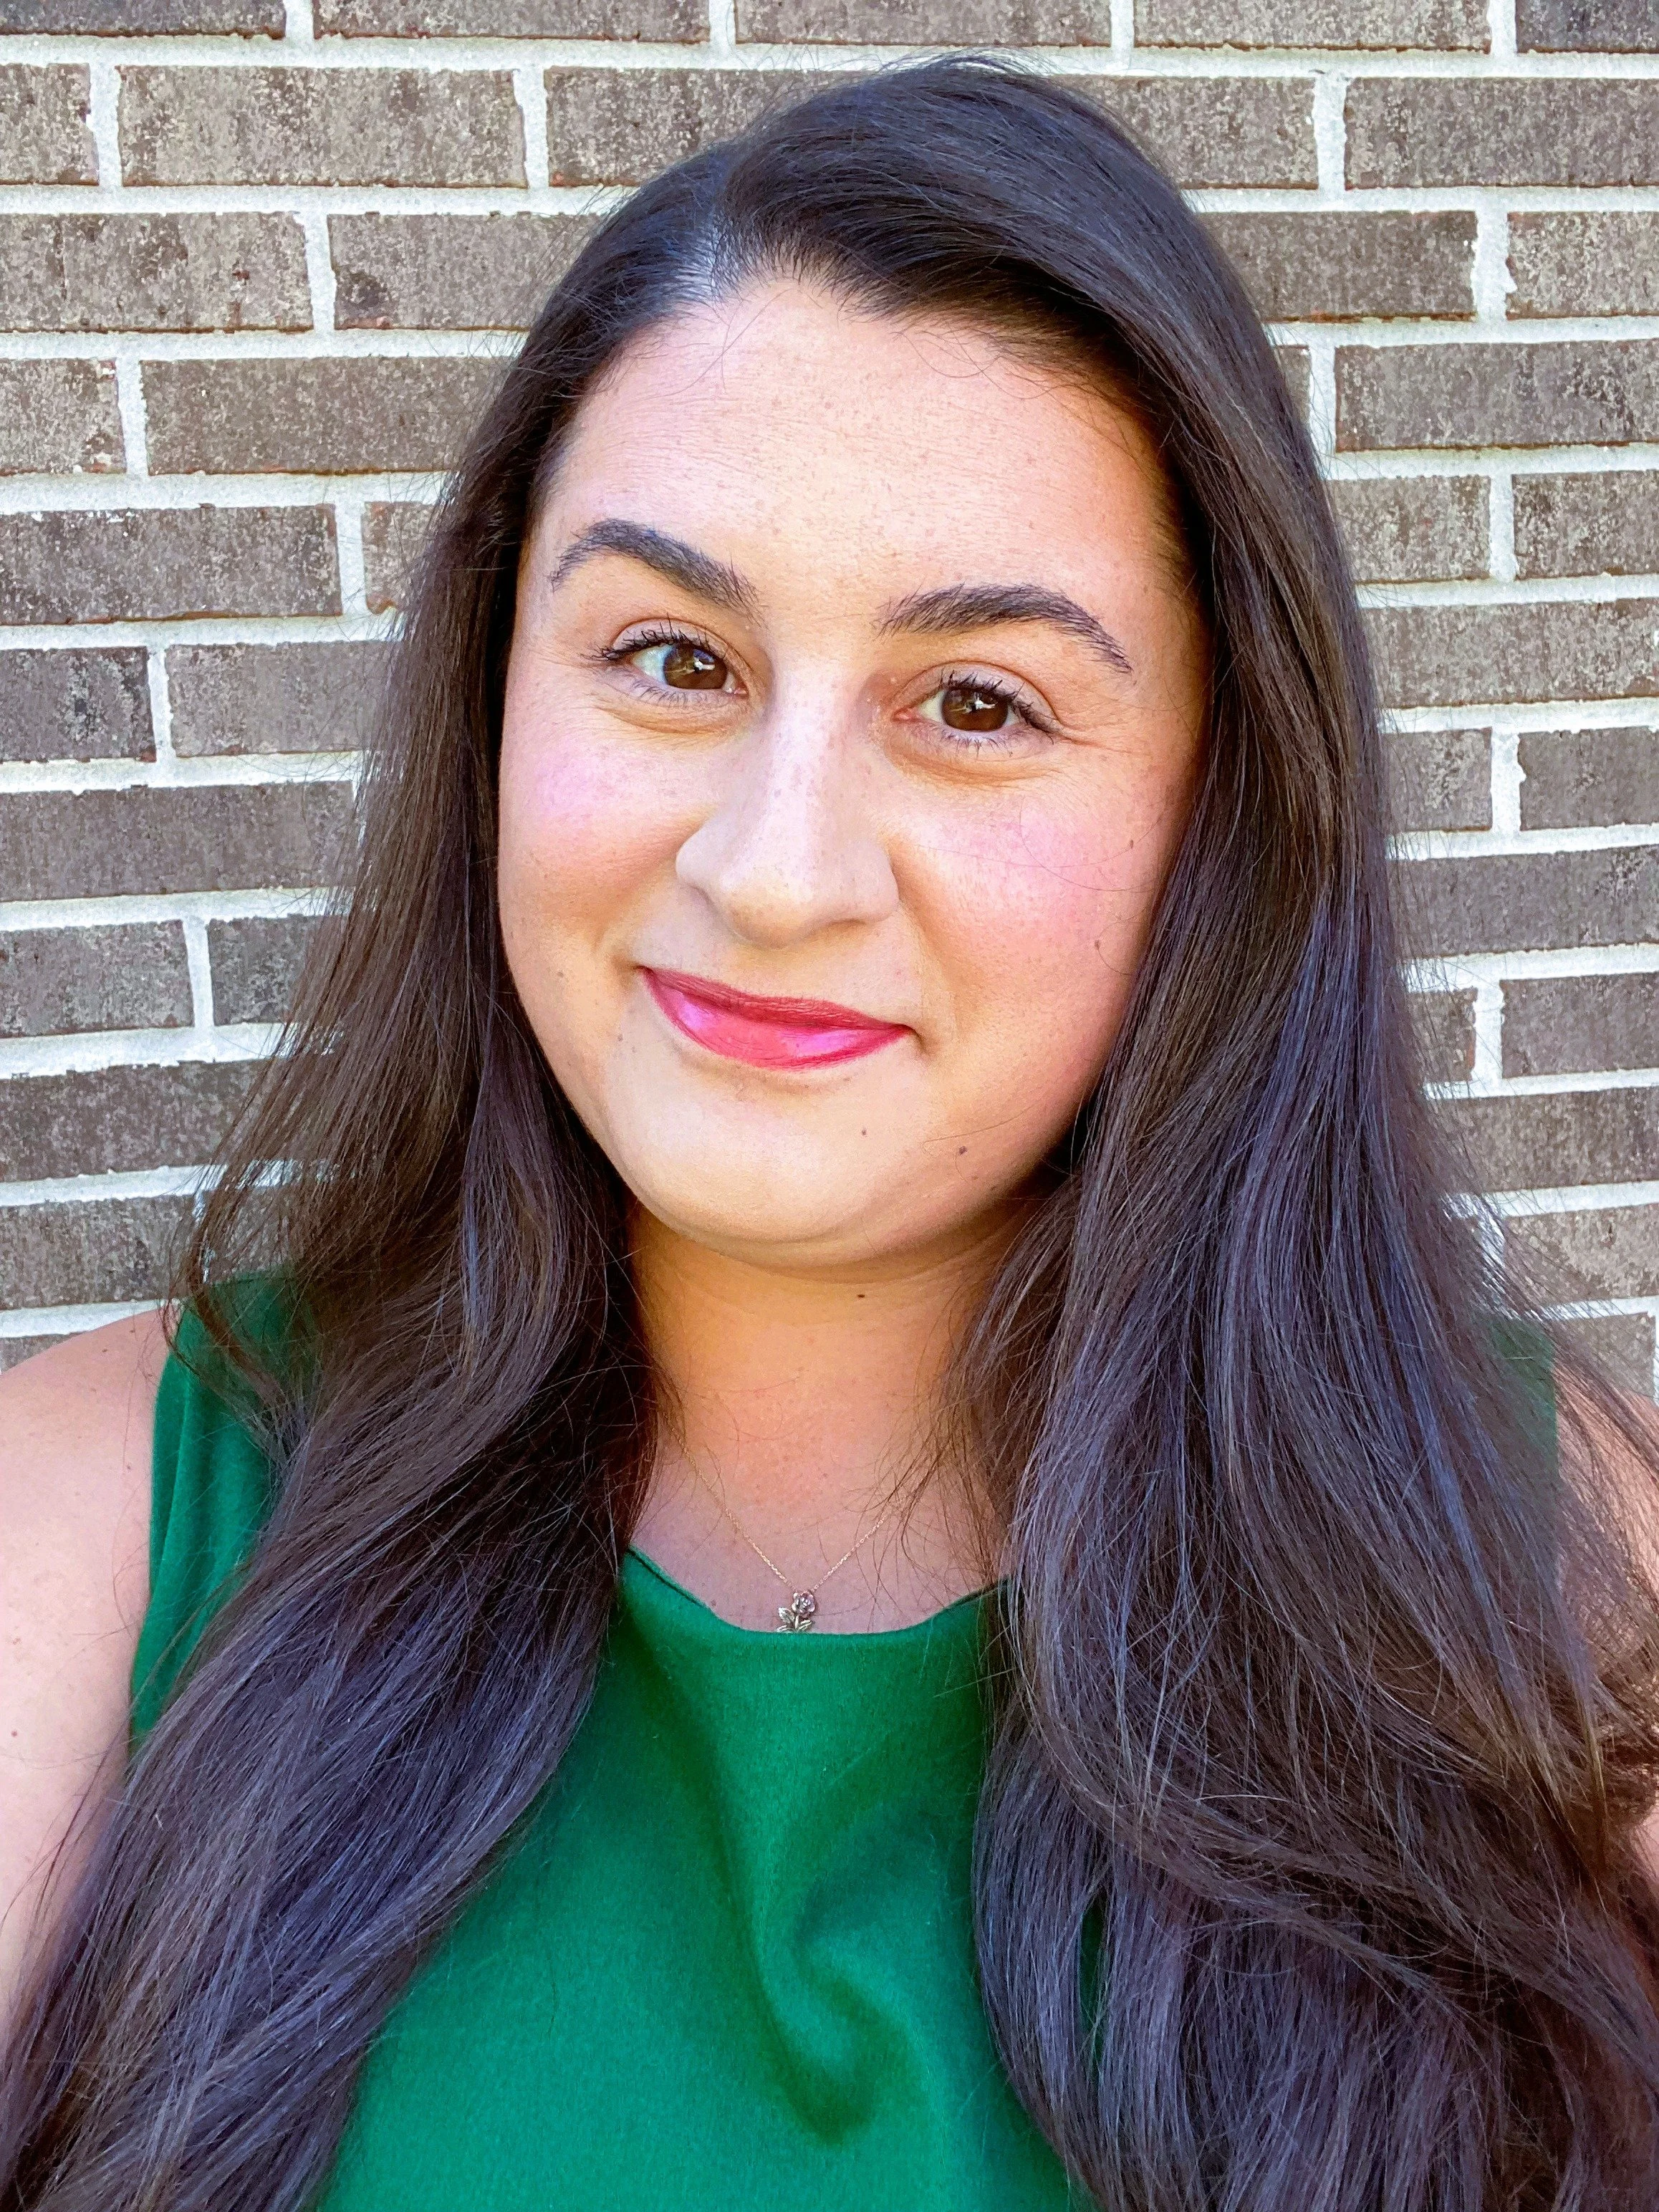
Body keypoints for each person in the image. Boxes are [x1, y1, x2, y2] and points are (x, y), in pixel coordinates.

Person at [3, 56, 1658, 2212]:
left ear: (1213, 815)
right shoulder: (109, 1525)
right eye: (670, 657)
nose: (777, 869)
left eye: (976, 703)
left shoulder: (1538, 1555)